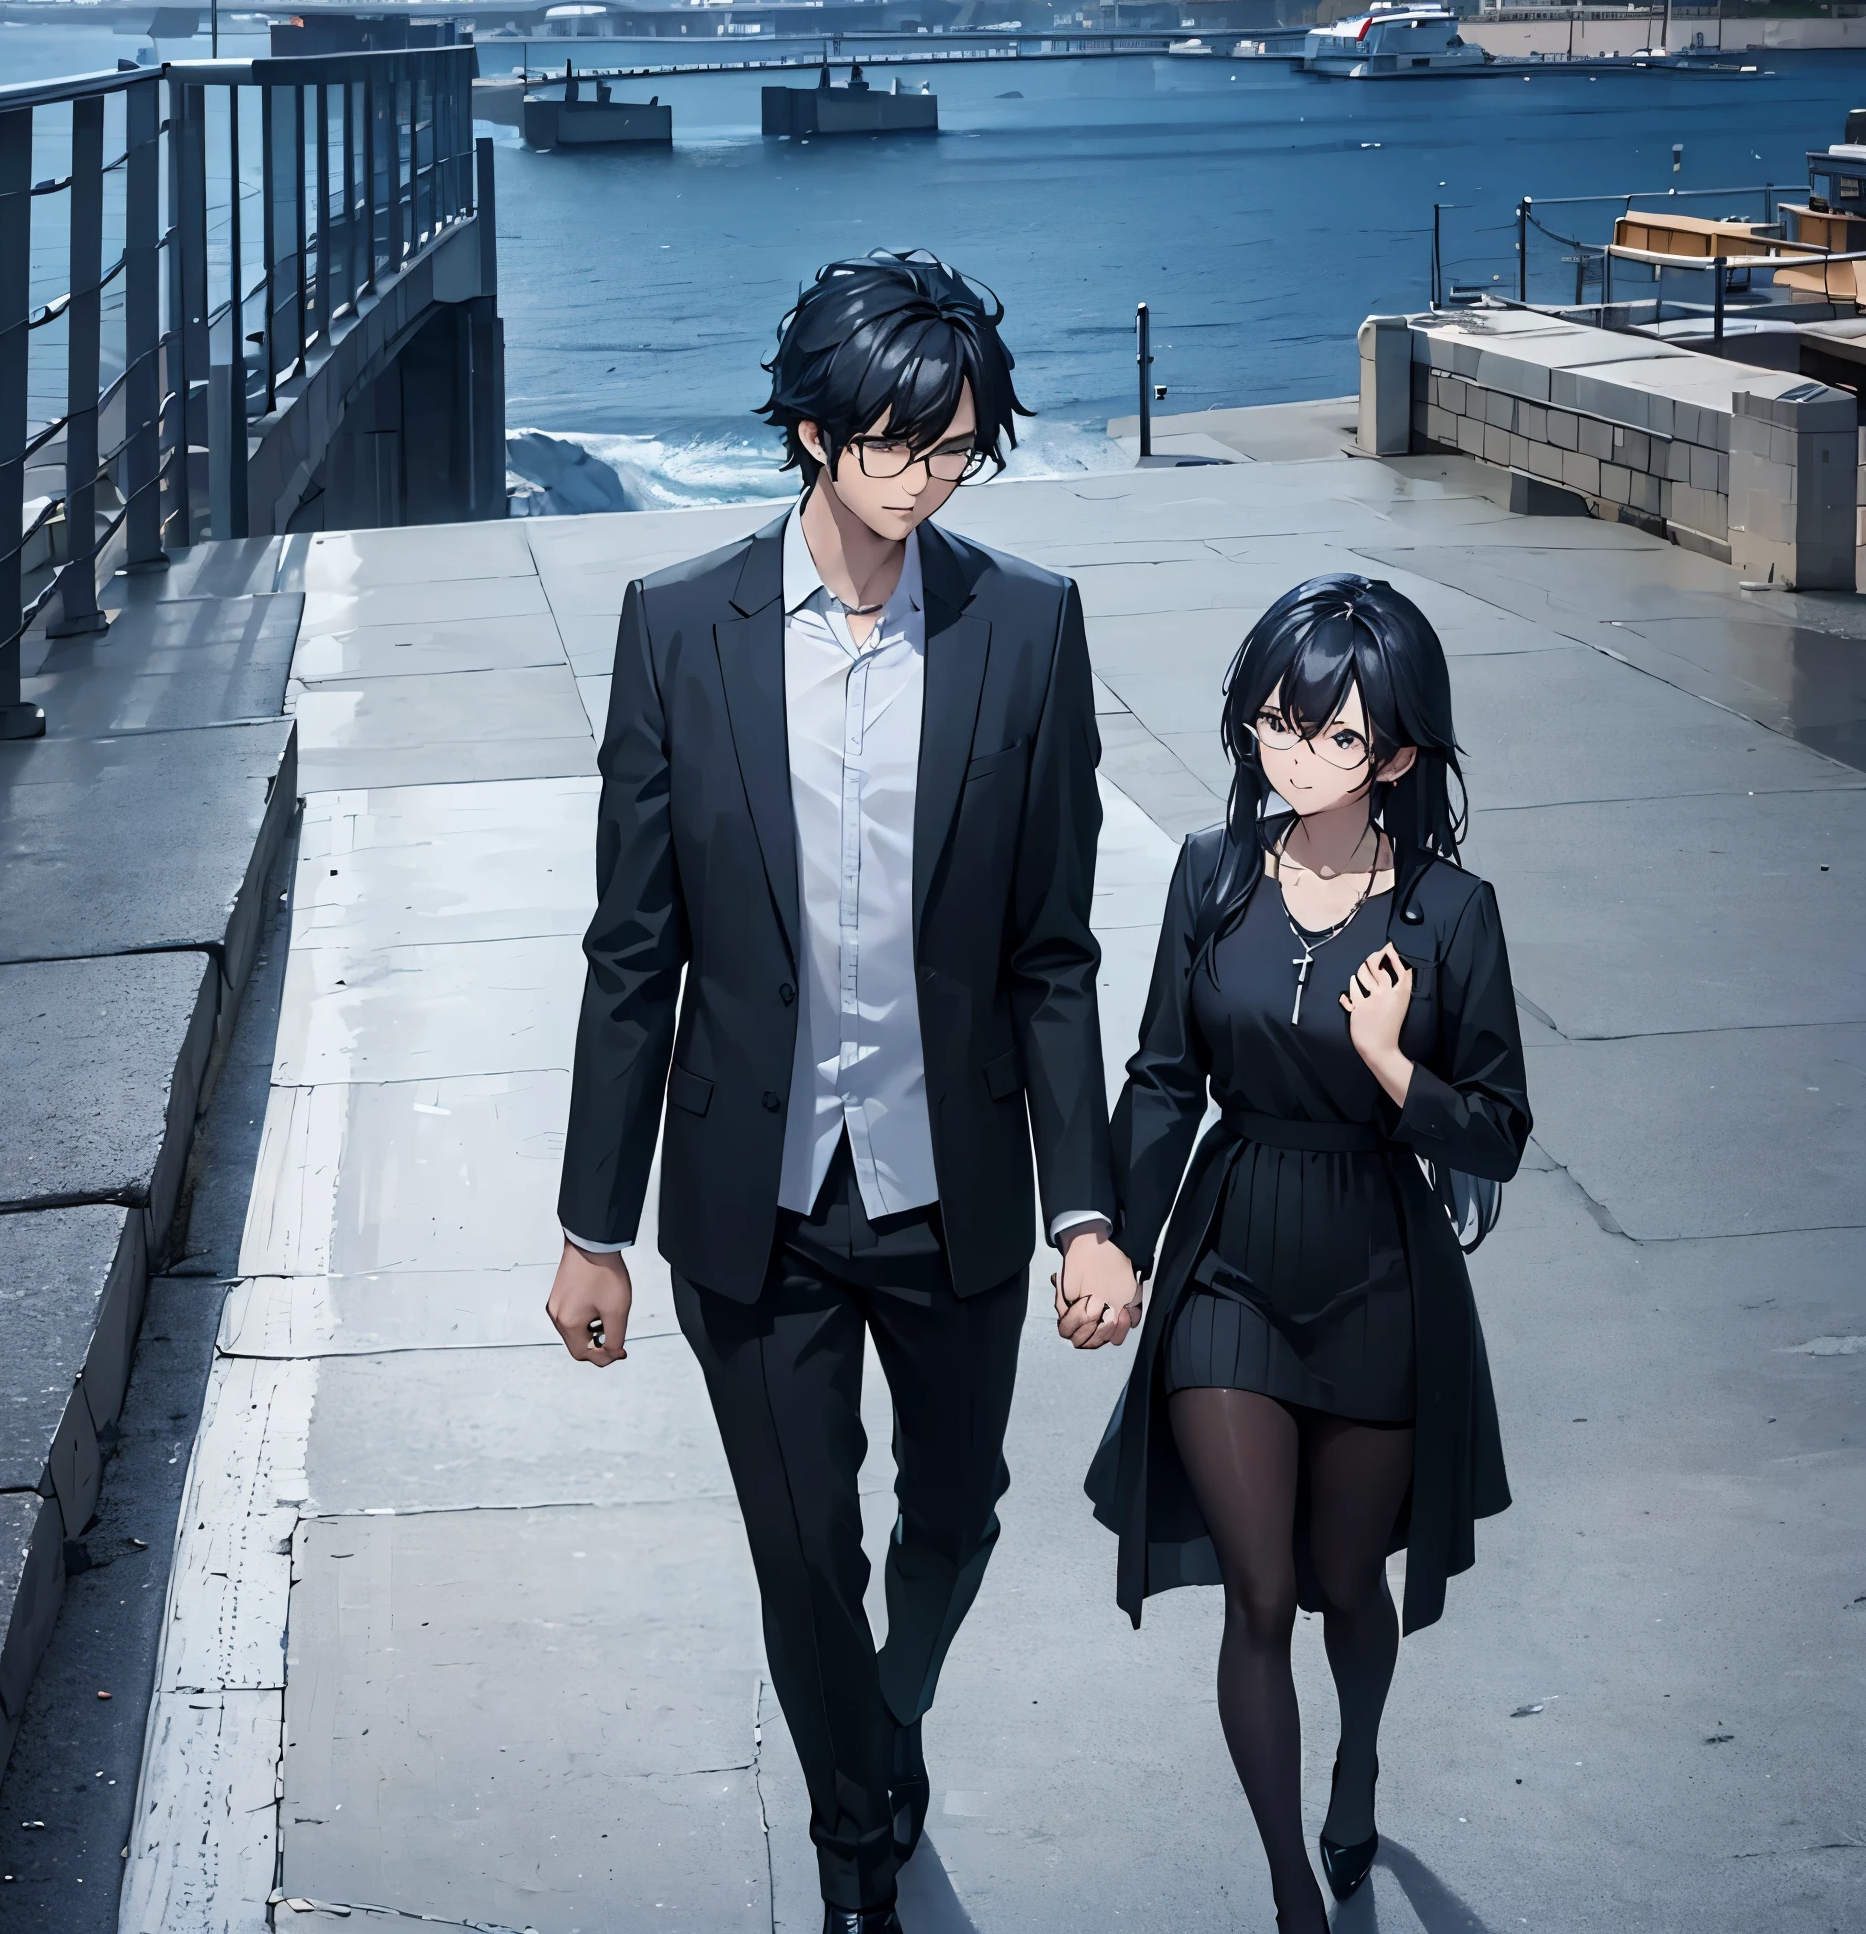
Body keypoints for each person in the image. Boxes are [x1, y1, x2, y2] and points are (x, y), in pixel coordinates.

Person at [547, 250, 1137, 1934]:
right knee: (803, 1554)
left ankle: (884, 1721)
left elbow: (1052, 954)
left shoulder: (1029, 629)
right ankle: (855, 1839)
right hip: (761, 1201)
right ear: (815, 434)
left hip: (953, 1187)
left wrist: (1086, 1206)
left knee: (955, 1519)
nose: (931, 480)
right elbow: (631, 951)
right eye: (904, 446)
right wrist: (594, 1228)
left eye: (959, 452)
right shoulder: (678, 631)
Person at [1086, 574, 1532, 1932]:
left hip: (1377, 1272)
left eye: (1337, 737)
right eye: (1279, 723)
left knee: (1348, 1584)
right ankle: (1293, 1892)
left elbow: (1502, 1133)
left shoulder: (1453, 912)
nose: (1296, 755)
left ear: (1397, 754)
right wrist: (1109, 1235)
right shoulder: (1211, 877)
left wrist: (1397, 1069)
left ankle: (1357, 1762)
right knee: (1260, 1589)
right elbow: (1164, 1078)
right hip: (1229, 1259)